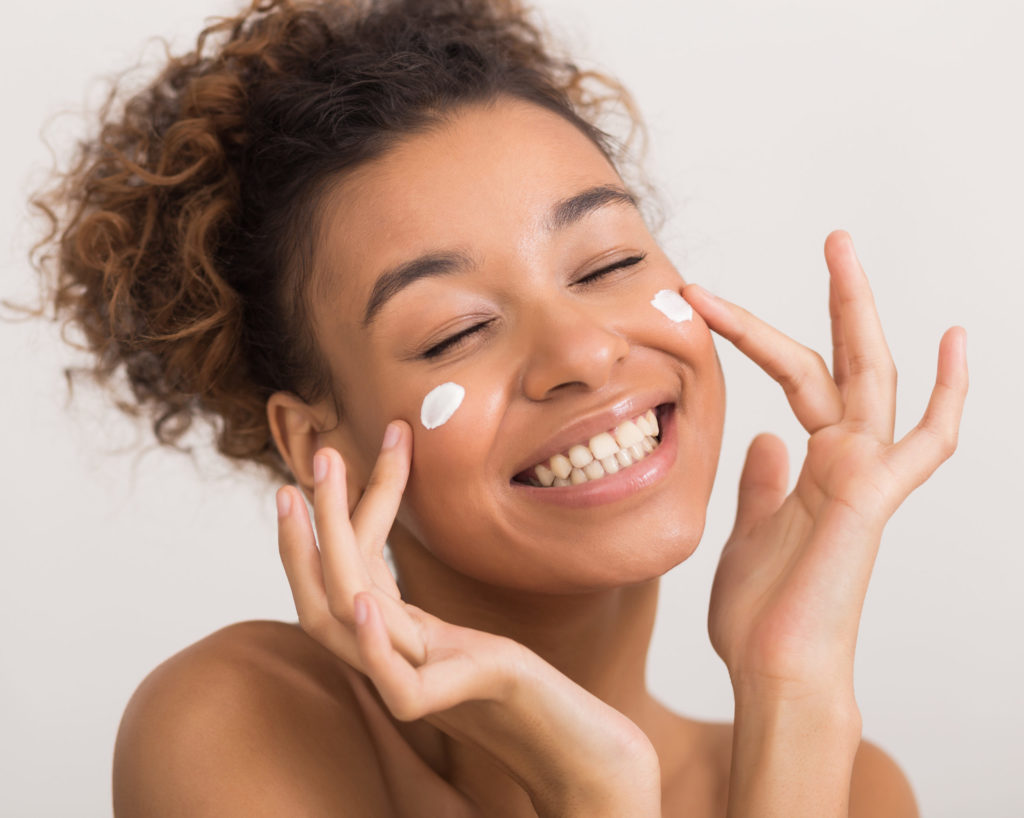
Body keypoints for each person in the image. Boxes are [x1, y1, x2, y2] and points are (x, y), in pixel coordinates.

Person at [26, 0, 967, 814]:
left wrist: (792, 689)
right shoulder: (238, 726)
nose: (584, 351)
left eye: (608, 264)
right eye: (453, 333)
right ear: (322, 443)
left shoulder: (852, 785)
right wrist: (594, 796)